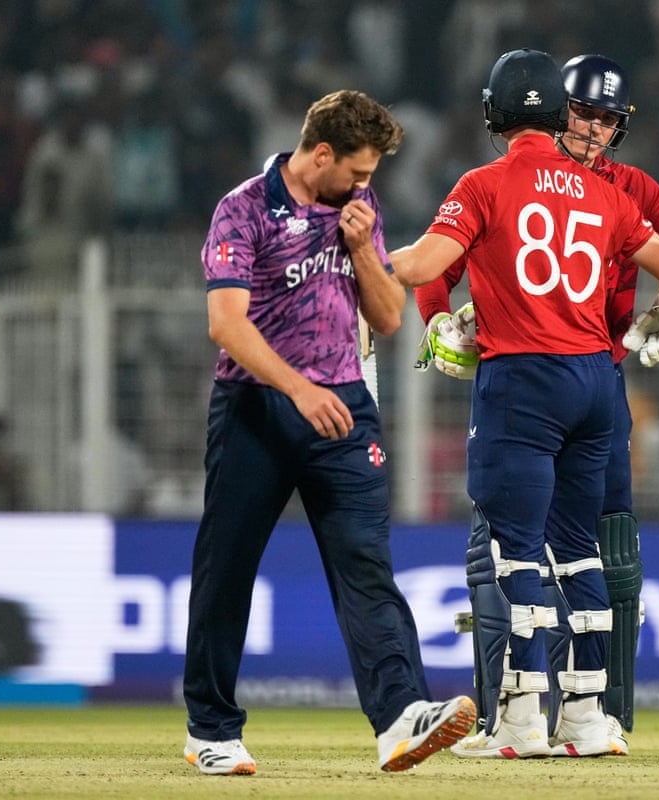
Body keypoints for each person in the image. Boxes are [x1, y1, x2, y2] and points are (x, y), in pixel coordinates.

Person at [412, 53, 659, 750]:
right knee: (506, 548)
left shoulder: (628, 186)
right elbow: (445, 268)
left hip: (588, 381)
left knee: (601, 549)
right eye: (581, 113)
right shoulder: (552, 187)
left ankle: (600, 713)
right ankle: (511, 713)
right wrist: (439, 319)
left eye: (608, 119)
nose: (593, 128)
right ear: (554, 111)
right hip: (545, 373)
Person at [181, 89, 476, 777]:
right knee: (226, 569)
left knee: (365, 562)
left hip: (343, 409)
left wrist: (362, 250)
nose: (368, 185)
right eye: (361, 171)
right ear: (322, 155)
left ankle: (402, 717)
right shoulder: (244, 208)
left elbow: (389, 317)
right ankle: (210, 730)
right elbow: (226, 324)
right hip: (256, 407)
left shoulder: (358, 213)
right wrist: (298, 388)